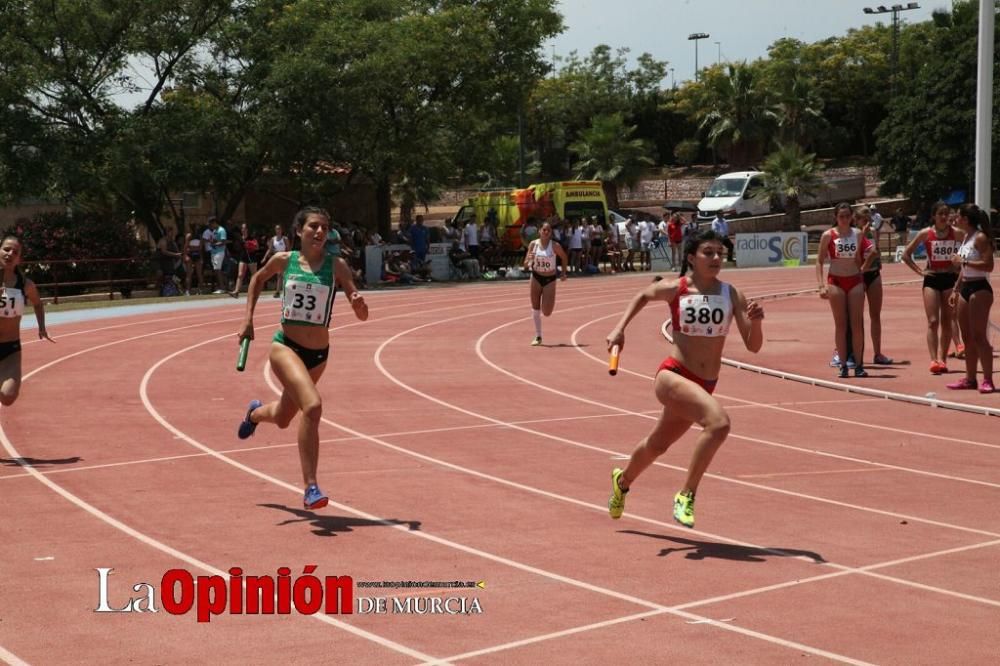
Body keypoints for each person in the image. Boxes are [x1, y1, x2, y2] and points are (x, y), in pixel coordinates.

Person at [606, 229, 764, 528]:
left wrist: (755, 323)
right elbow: (643, 294)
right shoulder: (677, 289)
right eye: (708, 252)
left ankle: (622, 482)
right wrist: (619, 329)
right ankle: (686, 495)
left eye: (720, 252)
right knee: (719, 424)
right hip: (673, 375)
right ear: (691, 257)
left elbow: (753, 346)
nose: (716, 257)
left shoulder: (731, 294)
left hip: (705, 383)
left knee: (657, 445)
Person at [236, 207, 368, 509]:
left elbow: (361, 312)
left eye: (325, 227)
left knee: (284, 418)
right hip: (286, 348)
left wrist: (360, 306)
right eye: (313, 226)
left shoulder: (338, 266)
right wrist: (248, 320)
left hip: (318, 354)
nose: (320, 232)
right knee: (313, 405)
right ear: (299, 231)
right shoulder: (285, 261)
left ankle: (254, 414)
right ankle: (311, 487)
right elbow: (257, 279)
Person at [902, 202, 963, 374]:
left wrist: (959, 262)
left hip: (950, 279)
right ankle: (933, 359)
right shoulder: (925, 234)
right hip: (932, 279)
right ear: (934, 216)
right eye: (941, 214)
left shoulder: (956, 233)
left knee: (947, 321)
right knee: (933, 321)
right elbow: (906, 255)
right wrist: (920, 272)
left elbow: (971, 247)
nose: (944, 217)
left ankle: (942, 359)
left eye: (946, 213)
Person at [817, 202, 873, 378]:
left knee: (857, 324)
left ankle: (859, 365)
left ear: (851, 217)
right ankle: (842, 365)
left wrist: (863, 270)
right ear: (836, 217)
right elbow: (819, 260)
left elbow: (870, 252)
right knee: (841, 325)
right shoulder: (828, 235)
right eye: (841, 216)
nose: (844, 219)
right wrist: (821, 285)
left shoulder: (857, 234)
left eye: (847, 216)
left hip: (855, 280)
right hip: (836, 282)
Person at [0, 235, 55, 406]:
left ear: (19, 259)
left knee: (8, 396)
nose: (10, 254)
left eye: (15, 252)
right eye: (6, 249)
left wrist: (42, 328)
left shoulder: (25, 284)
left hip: (10, 348)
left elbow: (38, 304)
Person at [947, 203, 994, 393]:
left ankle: (988, 379)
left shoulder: (980, 238)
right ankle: (970, 378)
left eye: (958, 216)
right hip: (966, 286)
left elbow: (988, 265)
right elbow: (964, 268)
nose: (955, 219)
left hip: (980, 288)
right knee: (967, 337)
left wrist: (963, 261)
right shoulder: (966, 237)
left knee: (979, 336)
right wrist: (956, 288)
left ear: (966, 219)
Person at [524, 221, 568, 346]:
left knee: (547, 312)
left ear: (551, 233)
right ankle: (538, 336)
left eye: (548, 230)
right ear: (539, 231)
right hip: (536, 277)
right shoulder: (533, 245)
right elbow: (526, 264)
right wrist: (530, 259)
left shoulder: (555, 246)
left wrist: (563, 273)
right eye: (544, 230)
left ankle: (548, 303)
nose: (546, 232)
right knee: (535, 307)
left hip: (549, 279)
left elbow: (564, 257)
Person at [858, 207, 893, 365]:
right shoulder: (852, 234)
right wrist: (862, 235)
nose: (867, 222)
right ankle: (854, 353)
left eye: (868, 219)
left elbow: (876, 250)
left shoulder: (873, 231)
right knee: (855, 317)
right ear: (856, 219)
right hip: (857, 276)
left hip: (873, 273)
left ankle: (877, 353)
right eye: (863, 219)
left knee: (875, 315)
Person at [261, 225, 291, 298]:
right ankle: (278, 291)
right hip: (277, 257)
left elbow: (289, 249)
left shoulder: (285, 239)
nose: (278, 230)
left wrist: (290, 257)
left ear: (281, 230)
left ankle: (284, 291)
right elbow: (270, 249)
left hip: (284, 257)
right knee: (279, 275)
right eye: (277, 229)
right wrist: (264, 258)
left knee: (283, 275)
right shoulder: (273, 239)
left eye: (279, 229)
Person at [229, 223, 258, 297]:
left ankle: (255, 290)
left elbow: (257, 247)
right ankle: (236, 291)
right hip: (243, 258)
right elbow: (236, 248)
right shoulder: (240, 238)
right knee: (240, 274)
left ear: (247, 230)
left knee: (254, 275)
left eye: (244, 228)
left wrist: (250, 245)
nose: (243, 230)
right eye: (242, 228)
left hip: (251, 258)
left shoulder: (251, 238)